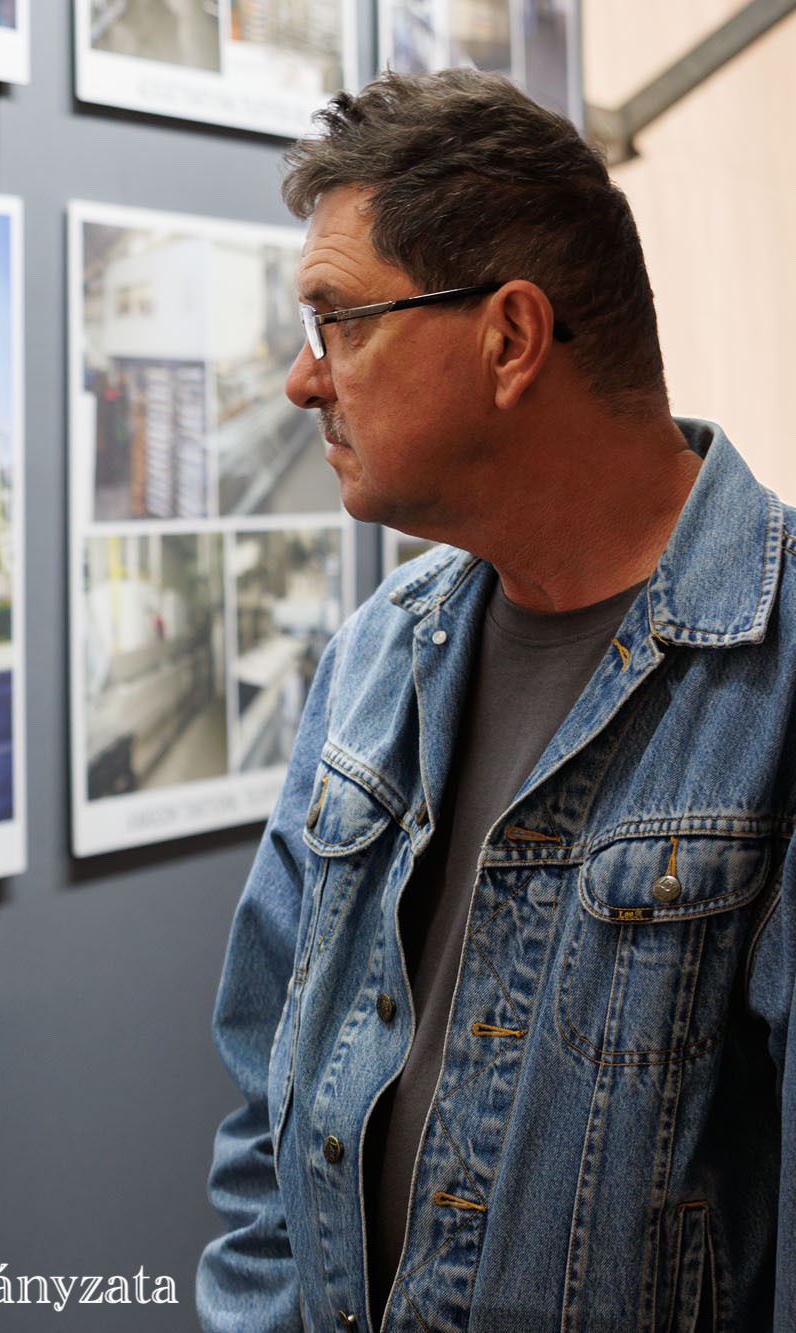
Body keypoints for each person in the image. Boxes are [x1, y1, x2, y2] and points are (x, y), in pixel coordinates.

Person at [199, 71, 796, 1331]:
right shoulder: (377, 655)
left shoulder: (778, 674)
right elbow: (267, 1121)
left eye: (336, 322)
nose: (303, 381)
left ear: (509, 339)